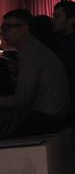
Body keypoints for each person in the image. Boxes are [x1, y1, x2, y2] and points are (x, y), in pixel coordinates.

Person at [0, 9, 69, 139]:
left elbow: (21, 100)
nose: (3, 32)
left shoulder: (30, 53)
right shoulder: (33, 48)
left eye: (7, 27)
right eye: (2, 28)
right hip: (53, 113)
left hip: (46, 117)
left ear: (24, 29)